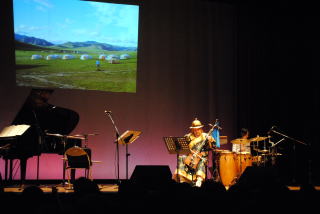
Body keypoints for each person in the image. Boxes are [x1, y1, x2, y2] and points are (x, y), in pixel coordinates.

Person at [173, 118, 215, 187]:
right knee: (181, 157)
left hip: (201, 157)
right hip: (191, 156)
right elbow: (183, 146)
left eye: (197, 129)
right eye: (194, 130)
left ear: (201, 129)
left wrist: (210, 140)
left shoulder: (205, 136)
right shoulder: (189, 137)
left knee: (201, 161)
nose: (196, 131)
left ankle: (199, 180)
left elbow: (213, 146)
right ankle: (182, 179)